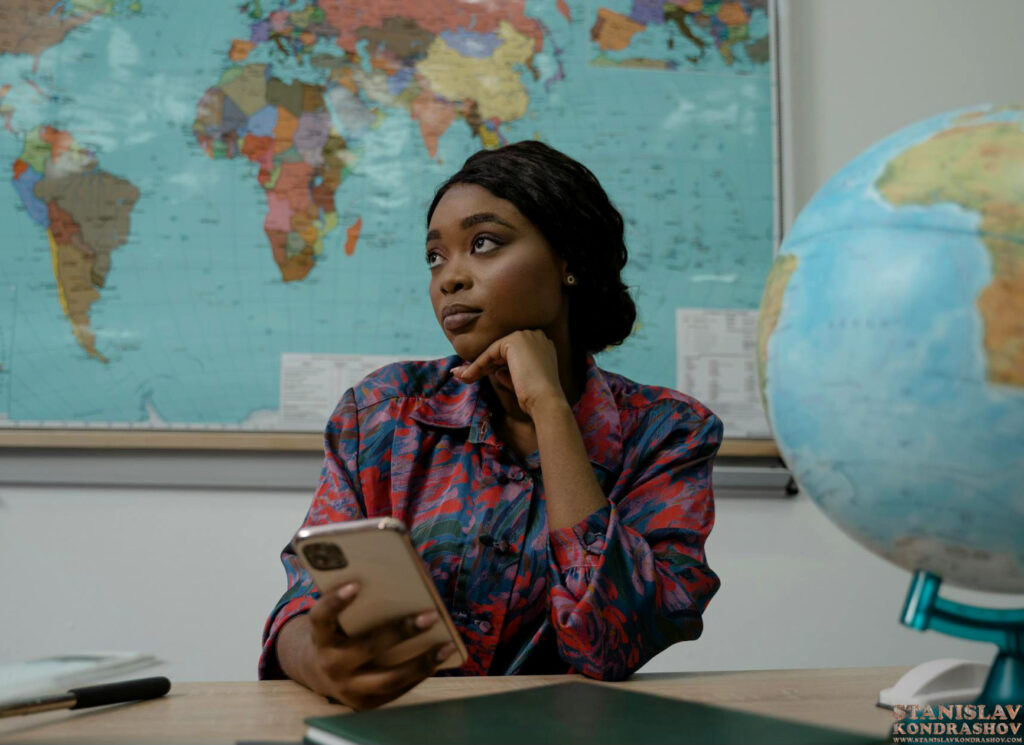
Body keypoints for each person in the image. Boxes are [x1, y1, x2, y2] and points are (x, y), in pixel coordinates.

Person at [259, 141, 722, 710]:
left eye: (483, 244)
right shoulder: (382, 412)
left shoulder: (668, 433)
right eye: (436, 256)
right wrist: (317, 661)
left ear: (569, 260)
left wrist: (550, 408)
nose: (449, 278)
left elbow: (610, 644)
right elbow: (306, 598)